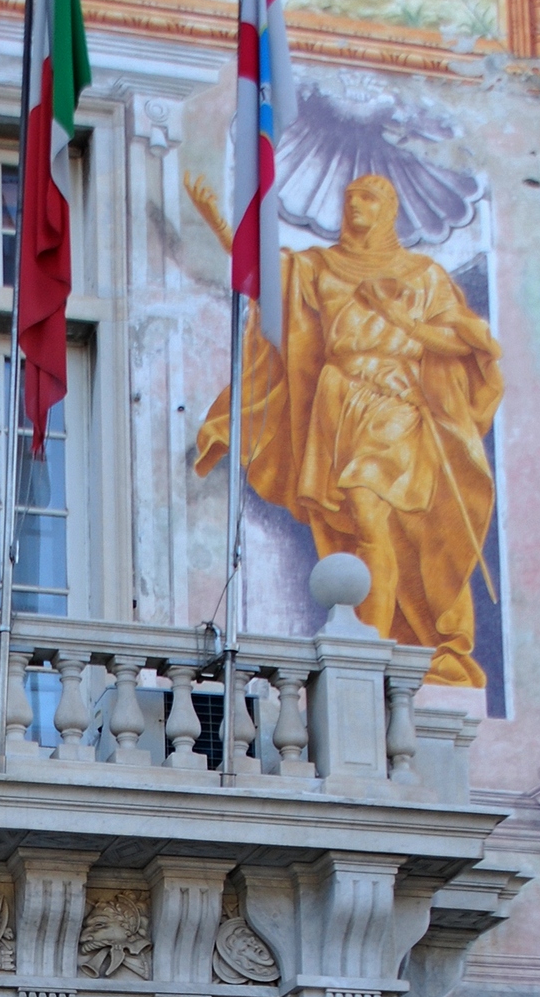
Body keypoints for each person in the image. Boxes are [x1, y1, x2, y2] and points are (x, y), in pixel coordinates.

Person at [195, 173, 502, 687]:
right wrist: (219, 224)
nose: (356, 205)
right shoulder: (319, 267)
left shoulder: (422, 275)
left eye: (369, 198)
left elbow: (463, 343)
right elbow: (266, 279)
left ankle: (372, 650)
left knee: (367, 509)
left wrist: (405, 324)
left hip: (395, 400)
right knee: (358, 527)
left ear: (389, 209)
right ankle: (374, 641)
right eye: (351, 197)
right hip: (337, 399)